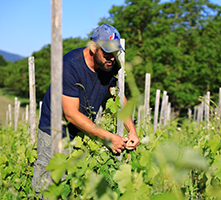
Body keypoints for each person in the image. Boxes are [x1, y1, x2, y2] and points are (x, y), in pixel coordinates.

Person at [32, 23, 140, 194]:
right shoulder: (69, 66)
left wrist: (131, 130)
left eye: (115, 52)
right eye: (106, 52)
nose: (111, 57)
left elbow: (118, 98)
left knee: (74, 186)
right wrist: (107, 137)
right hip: (55, 130)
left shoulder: (110, 65)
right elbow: (71, 115)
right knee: (49, 185)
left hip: (83, 130)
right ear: (93, 47)